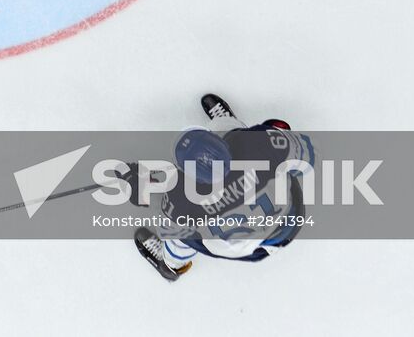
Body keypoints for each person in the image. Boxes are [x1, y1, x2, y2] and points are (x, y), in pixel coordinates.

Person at [133, 94, 314, 282]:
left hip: (246, 250)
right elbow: (309, 156)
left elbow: (172, 229)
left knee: (179, 239)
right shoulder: (255, 144)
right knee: (236, 131)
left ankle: (171, 267)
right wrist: (274, 137)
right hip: (289, 222)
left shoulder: (180, 199)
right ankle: (226, 121)